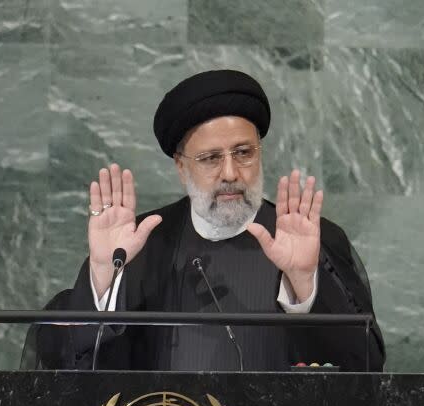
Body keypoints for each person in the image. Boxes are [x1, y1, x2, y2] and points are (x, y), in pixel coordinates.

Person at [22, 69, 385, 372]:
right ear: (181, 167)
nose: (230, 173)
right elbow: (64, 371)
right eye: (211, 158)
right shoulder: (138, 247)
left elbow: (367, 368)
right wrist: (103, 276)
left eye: (243, 153)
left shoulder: (311, 240)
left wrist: (305, 287)